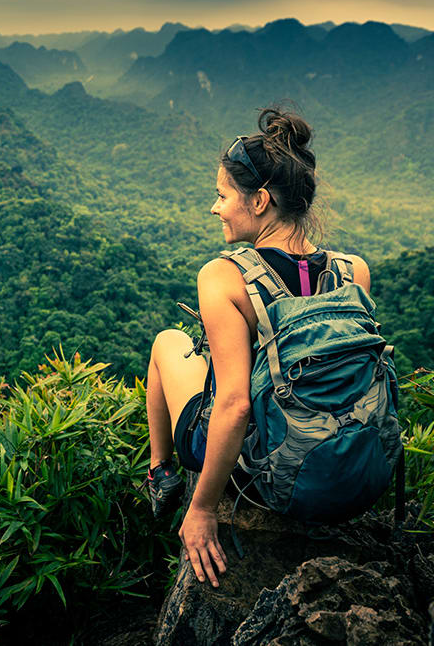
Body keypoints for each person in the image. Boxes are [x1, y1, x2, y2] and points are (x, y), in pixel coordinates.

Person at [142, 107, 371, 588]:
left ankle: (160, 474)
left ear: (260, 200)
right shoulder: (354, 271)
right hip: (354, 465)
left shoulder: (223, 276)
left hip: (276, 466)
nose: (215, 208)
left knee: (168, 343)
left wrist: (202, 509)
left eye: (222, 196)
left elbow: (235, 403)